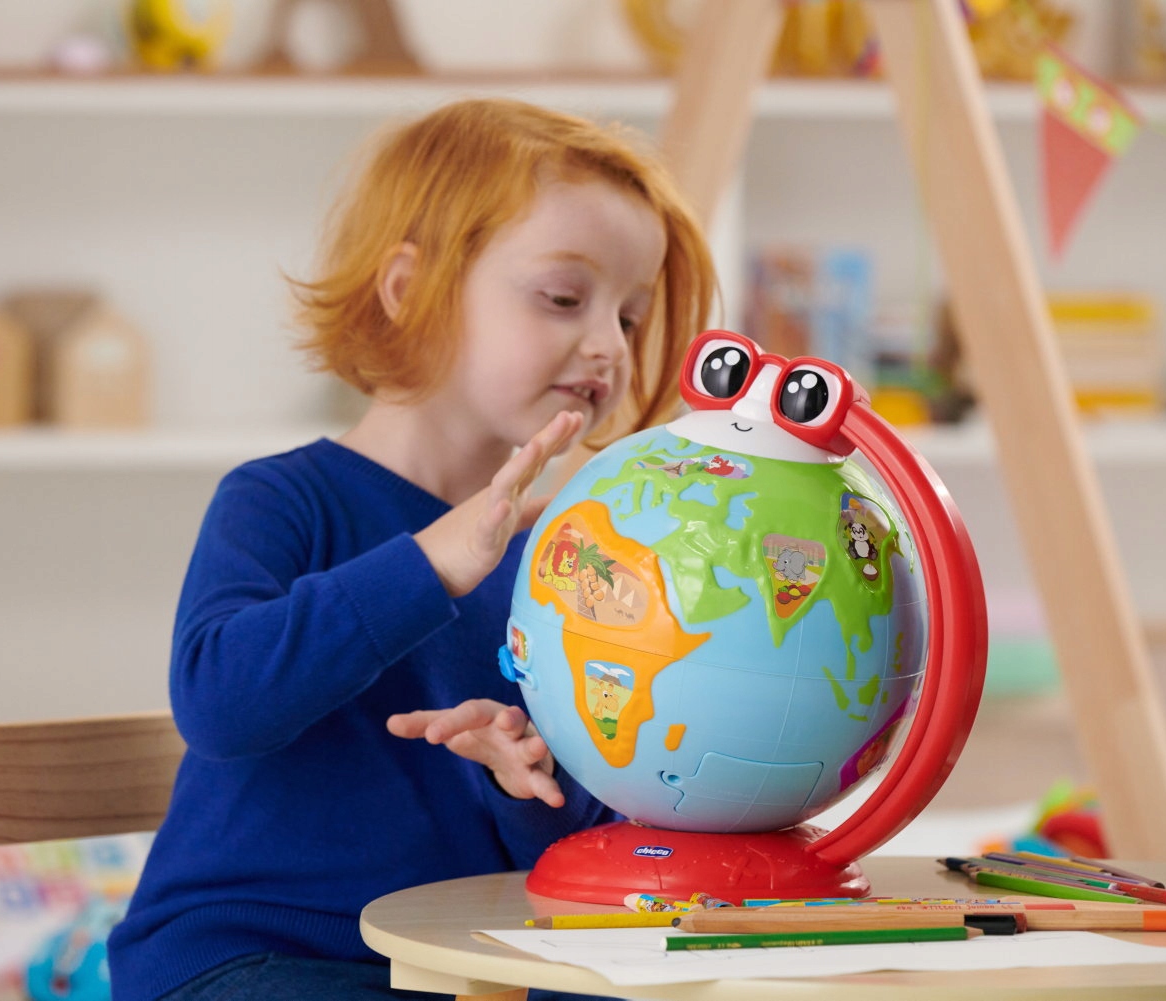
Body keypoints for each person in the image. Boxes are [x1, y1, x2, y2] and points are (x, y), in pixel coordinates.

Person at [107, 97, 716, 1001]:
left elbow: (575, 840)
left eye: (629, 317)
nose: (607, 347)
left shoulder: (561, 558)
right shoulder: (281, 498)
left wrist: (529, 779)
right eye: (563, 298)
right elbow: (219, 703)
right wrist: (431, 561)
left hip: (464, 961)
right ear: (408, 290)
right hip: (246, 956)